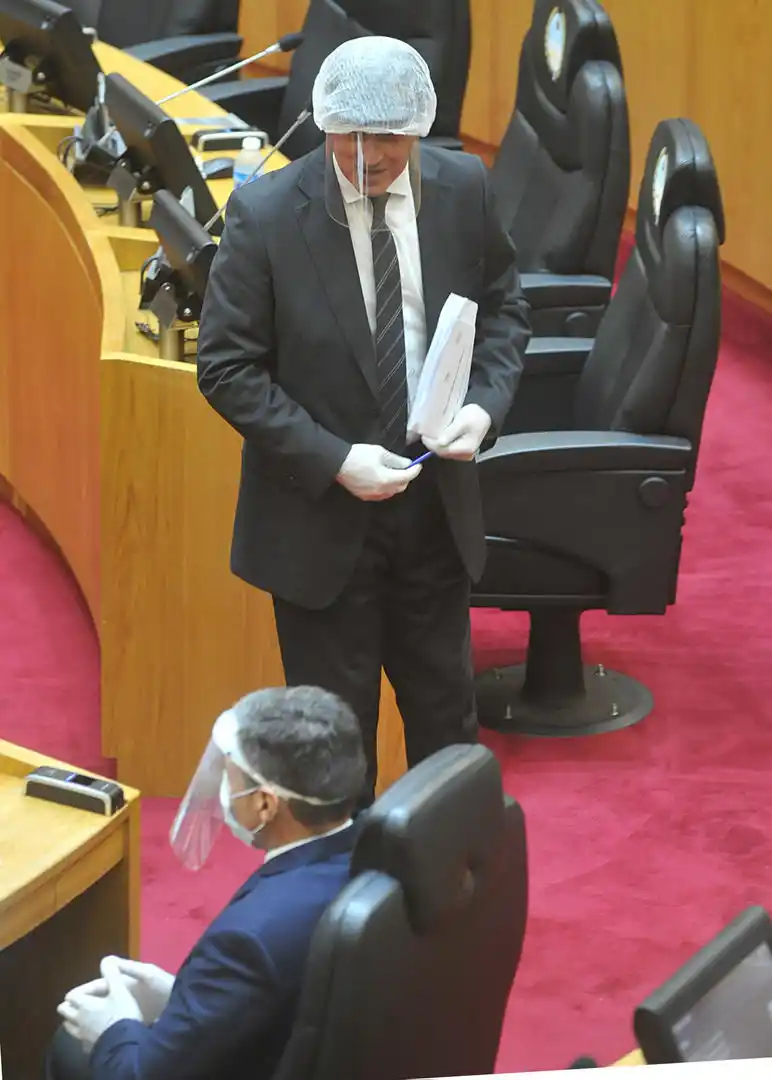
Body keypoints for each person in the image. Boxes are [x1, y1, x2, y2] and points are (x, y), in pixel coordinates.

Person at [197, 37, 531, 806]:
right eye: (348, 134)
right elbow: (226, 368)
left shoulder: (464, 188)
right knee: (333, 755)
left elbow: (507, 310)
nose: (366, 155)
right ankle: (347, 914)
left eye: (386, 138)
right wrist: (334, 459)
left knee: (448, 730)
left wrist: (483, 404)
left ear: (419, 130)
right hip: (322, 524)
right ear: (320, 124)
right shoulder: (266, 214)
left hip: (433, 510)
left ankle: (448, 901)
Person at [48, 685, 366, 1080]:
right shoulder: (367, 848)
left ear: (265, 804)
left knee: (70, 1047)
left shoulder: (248, 940)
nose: (223, 789)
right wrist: (182, 996)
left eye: (231, 777)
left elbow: (138, 1075)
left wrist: (114, 1027)